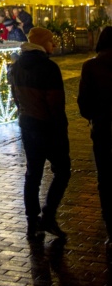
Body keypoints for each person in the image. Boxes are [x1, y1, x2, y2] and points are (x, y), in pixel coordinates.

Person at [9, 26, 70, 241]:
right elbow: (56, 105)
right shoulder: (48, 67)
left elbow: (16, 98)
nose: (53, 44)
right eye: (51, 40)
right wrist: (61, 131)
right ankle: (49, 215)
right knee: (63, 171)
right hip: (48, 126)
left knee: (33, 173)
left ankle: (32, 220)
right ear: (42, 43)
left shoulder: (15, 67)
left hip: (27, 125)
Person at [77, 25, 112, 248]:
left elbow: (83, 103)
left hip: (102, 129)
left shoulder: (91, 66)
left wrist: (93, 116)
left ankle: (111, 226)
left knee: (106, 178)